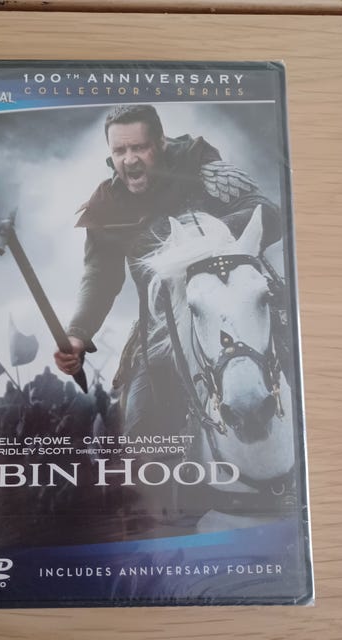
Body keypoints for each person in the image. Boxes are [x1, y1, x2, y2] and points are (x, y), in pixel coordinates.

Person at [54, 104, 279, 427]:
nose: (129, 159)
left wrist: (199, 237)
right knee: (141, 430)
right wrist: (77, 334)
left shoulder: (198, 163)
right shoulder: (107, 205)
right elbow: (100, 277)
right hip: (162, 331)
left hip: (239, 314)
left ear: (160, 143)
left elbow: (266, 212)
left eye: (139, 147)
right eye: (119, 151)